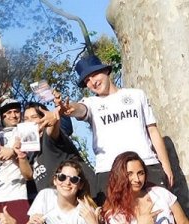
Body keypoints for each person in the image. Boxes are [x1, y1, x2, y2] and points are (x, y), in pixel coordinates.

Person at [61, 55, 173, 203]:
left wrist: (165, 165)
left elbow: (152, 130)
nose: (92, 82)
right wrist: (70, 108)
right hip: (109, 171)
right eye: (87, 80)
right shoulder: (91, 103)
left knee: (162, 217)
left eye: (94, 74)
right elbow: (80, 109)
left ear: (106, 71)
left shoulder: (136, 95)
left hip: (146, 165)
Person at [22, 102, 96, 200]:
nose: (29, 122)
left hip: (85, 198)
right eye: (26, 119)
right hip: (58, 207)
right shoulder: (31, 151)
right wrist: (20, 154)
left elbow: (52, 129)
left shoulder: (48, 137)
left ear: (44, 118)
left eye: (34, 117)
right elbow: (28, 176)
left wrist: (53, 118)